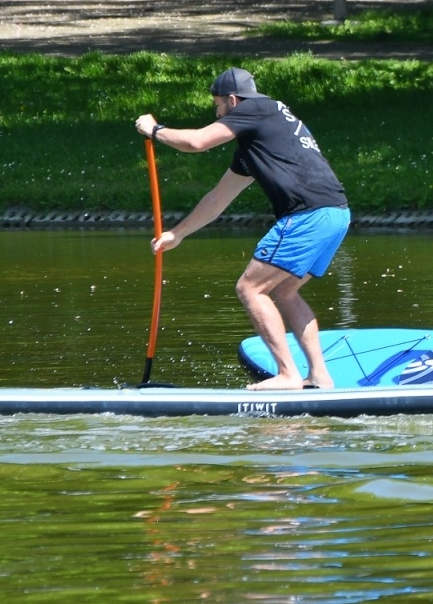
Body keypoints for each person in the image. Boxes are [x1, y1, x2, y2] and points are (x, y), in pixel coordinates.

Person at [135, 67, 351, 391]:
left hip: (308, 215)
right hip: (337, 214)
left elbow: (197, 141)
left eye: (218, 106)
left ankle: (288, 375)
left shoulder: (255, 108)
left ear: (232, 101)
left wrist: (155, 130)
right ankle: (319, 376)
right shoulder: (261, 140)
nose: (218, 113)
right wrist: (177, 233)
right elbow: (218, 199)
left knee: (250, 289)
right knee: (285, 290)